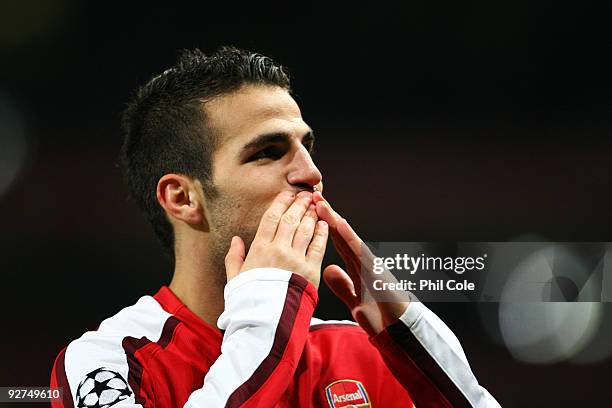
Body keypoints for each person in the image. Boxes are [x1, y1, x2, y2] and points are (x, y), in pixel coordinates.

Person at [50, 46, 500, 408]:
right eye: (267, 151)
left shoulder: (363, 355)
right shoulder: (107, 363)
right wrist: (270, 318)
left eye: (307, 146)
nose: (311, 172)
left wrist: (431, 362)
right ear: (183, 198)